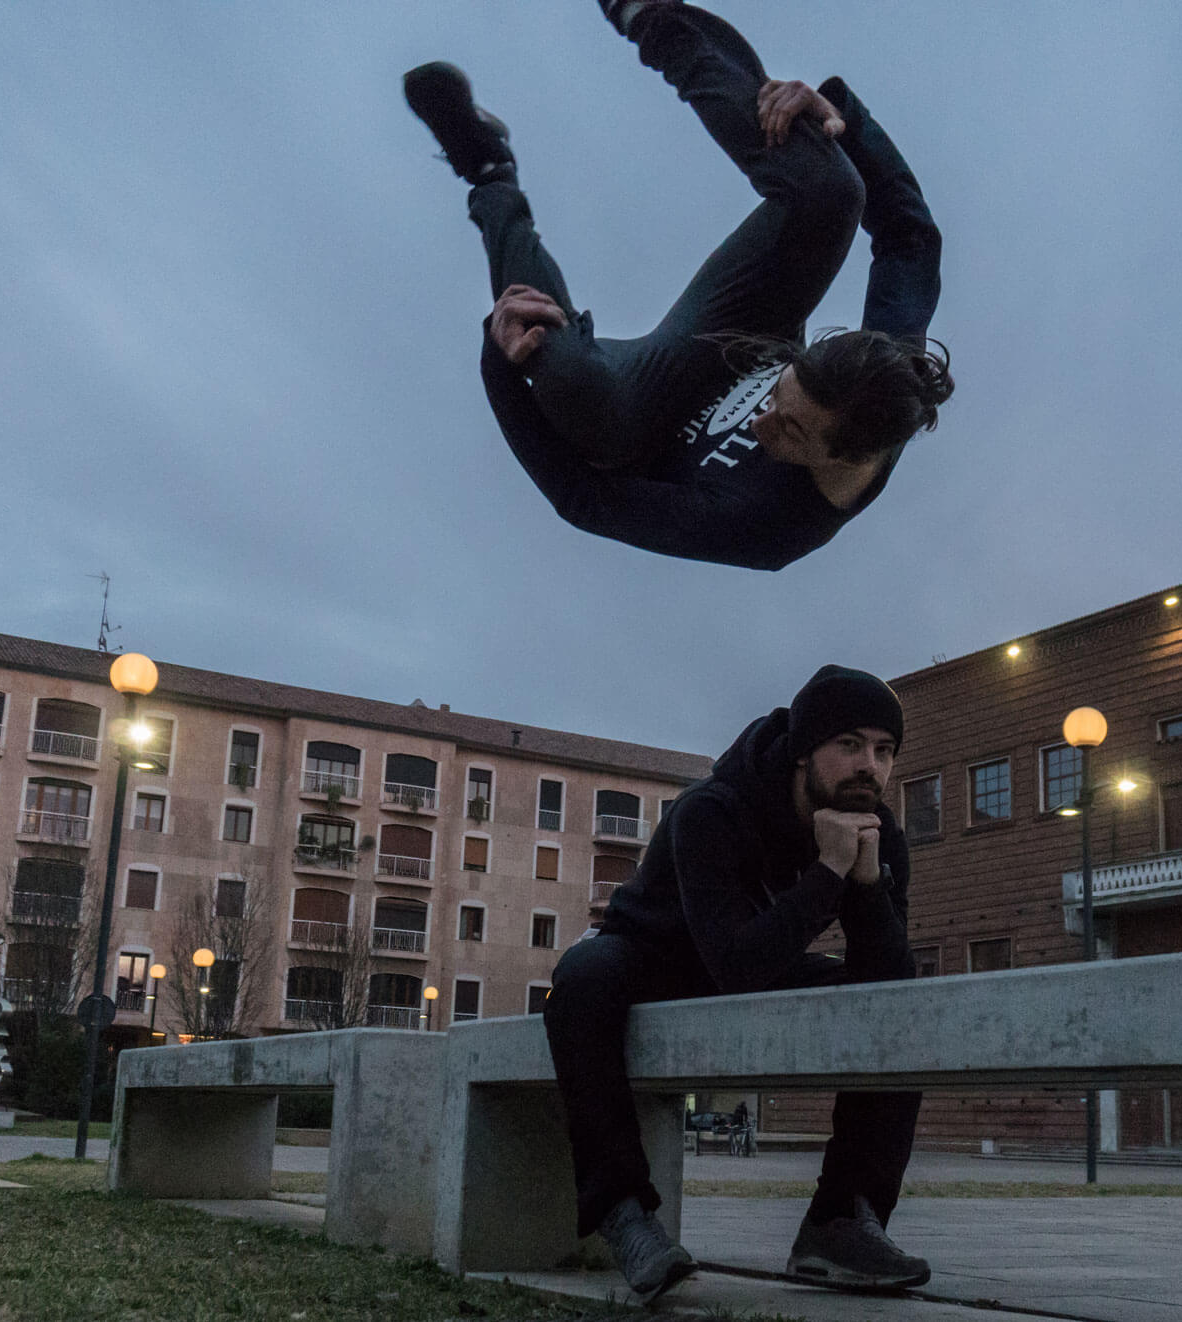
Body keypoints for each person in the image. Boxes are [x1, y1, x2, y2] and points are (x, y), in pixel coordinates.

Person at [403, 0, 951, 572]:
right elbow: (910, 237)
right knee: (833, 193)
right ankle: (647, 16)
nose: (764, 421)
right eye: (777, 397)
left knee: (562, 370)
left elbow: (582, 500)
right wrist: (843, 118)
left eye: (790, 431)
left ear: (851, 457)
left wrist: (499, 364)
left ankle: (490, 174)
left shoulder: (766, 526)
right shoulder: (890, 367)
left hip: (634, 415)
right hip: (736, 338)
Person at [541, 664, 925, 1303]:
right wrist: (827, 870)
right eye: (850, 745)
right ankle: (624, 1212)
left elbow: (885, 979)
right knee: (581, 976)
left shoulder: (878, 836)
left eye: (884, 751)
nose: (870, 767)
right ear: (804, 753)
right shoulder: (713, 811)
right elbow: (734, 965)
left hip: (756, 959)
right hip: (654, 957)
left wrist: (863, 882)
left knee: (901, 1007)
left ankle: (839, 1222)